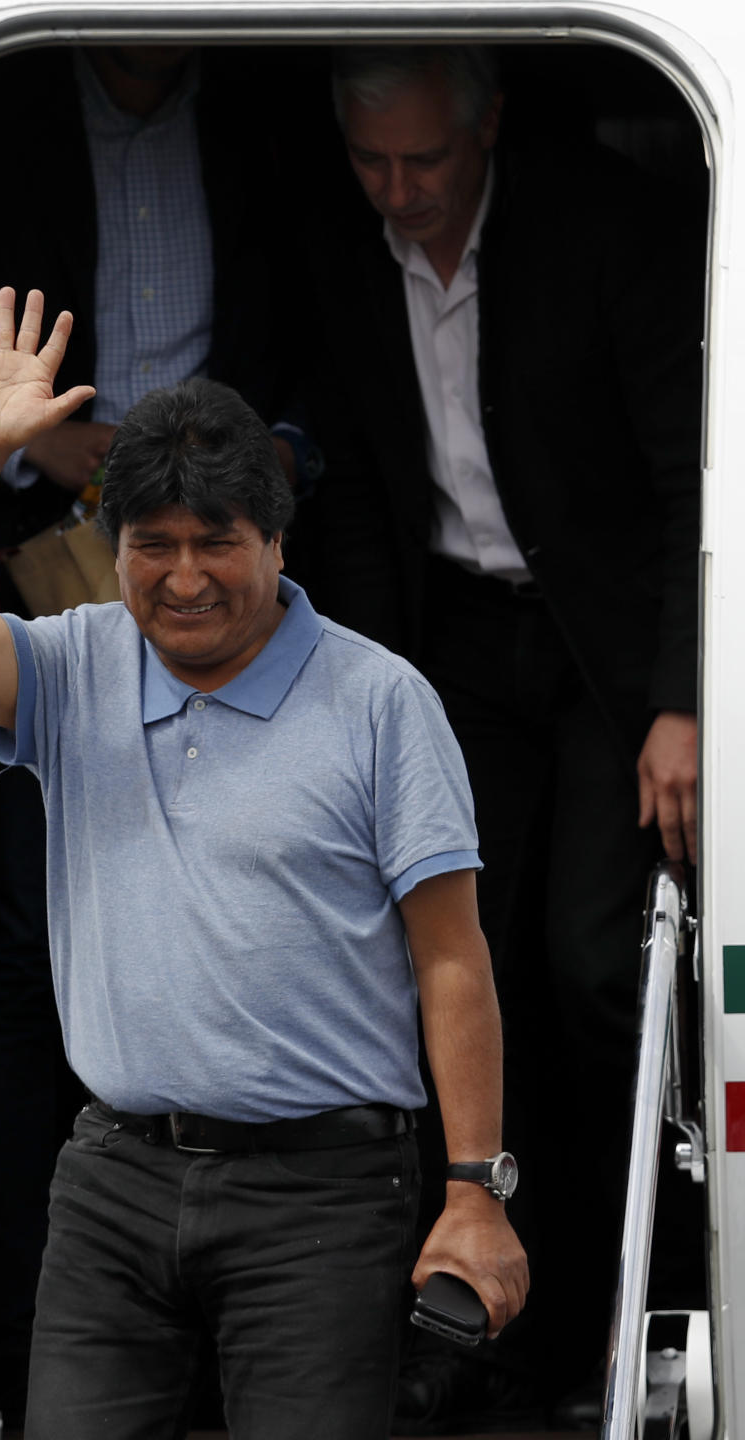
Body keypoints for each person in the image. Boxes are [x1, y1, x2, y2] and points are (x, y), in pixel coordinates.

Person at [0, 287, 528, 1440]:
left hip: (323, 1192)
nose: (182, 577)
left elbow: (452, 960)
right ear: (110, 548)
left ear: (276, 539)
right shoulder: (74, 665)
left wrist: (475, 1192)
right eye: (150, 546)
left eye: (216, 542)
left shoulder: (380, 701)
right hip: (116, 1177)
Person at [0, 45, 312, 1425]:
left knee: (261, 931)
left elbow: (317, 332)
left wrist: (245, 491)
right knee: (32, 961)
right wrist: (25, 454)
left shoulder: (264, 106)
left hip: (241, 588)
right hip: (47, 580)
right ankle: (26, 1339)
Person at [296, 45, 704, 1423]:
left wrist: (683, 697)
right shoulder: (340, 248)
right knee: (461, 970)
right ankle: (487, 1332)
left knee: (594, 966)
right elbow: (348, 491)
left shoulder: (605, 226)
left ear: (491, 132)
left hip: (602, 646)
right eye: (372, 164)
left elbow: (688, 478)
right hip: (446, 642)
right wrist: (359, 692)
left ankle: (642, 1291)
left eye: (425, 161)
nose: (398, 193)